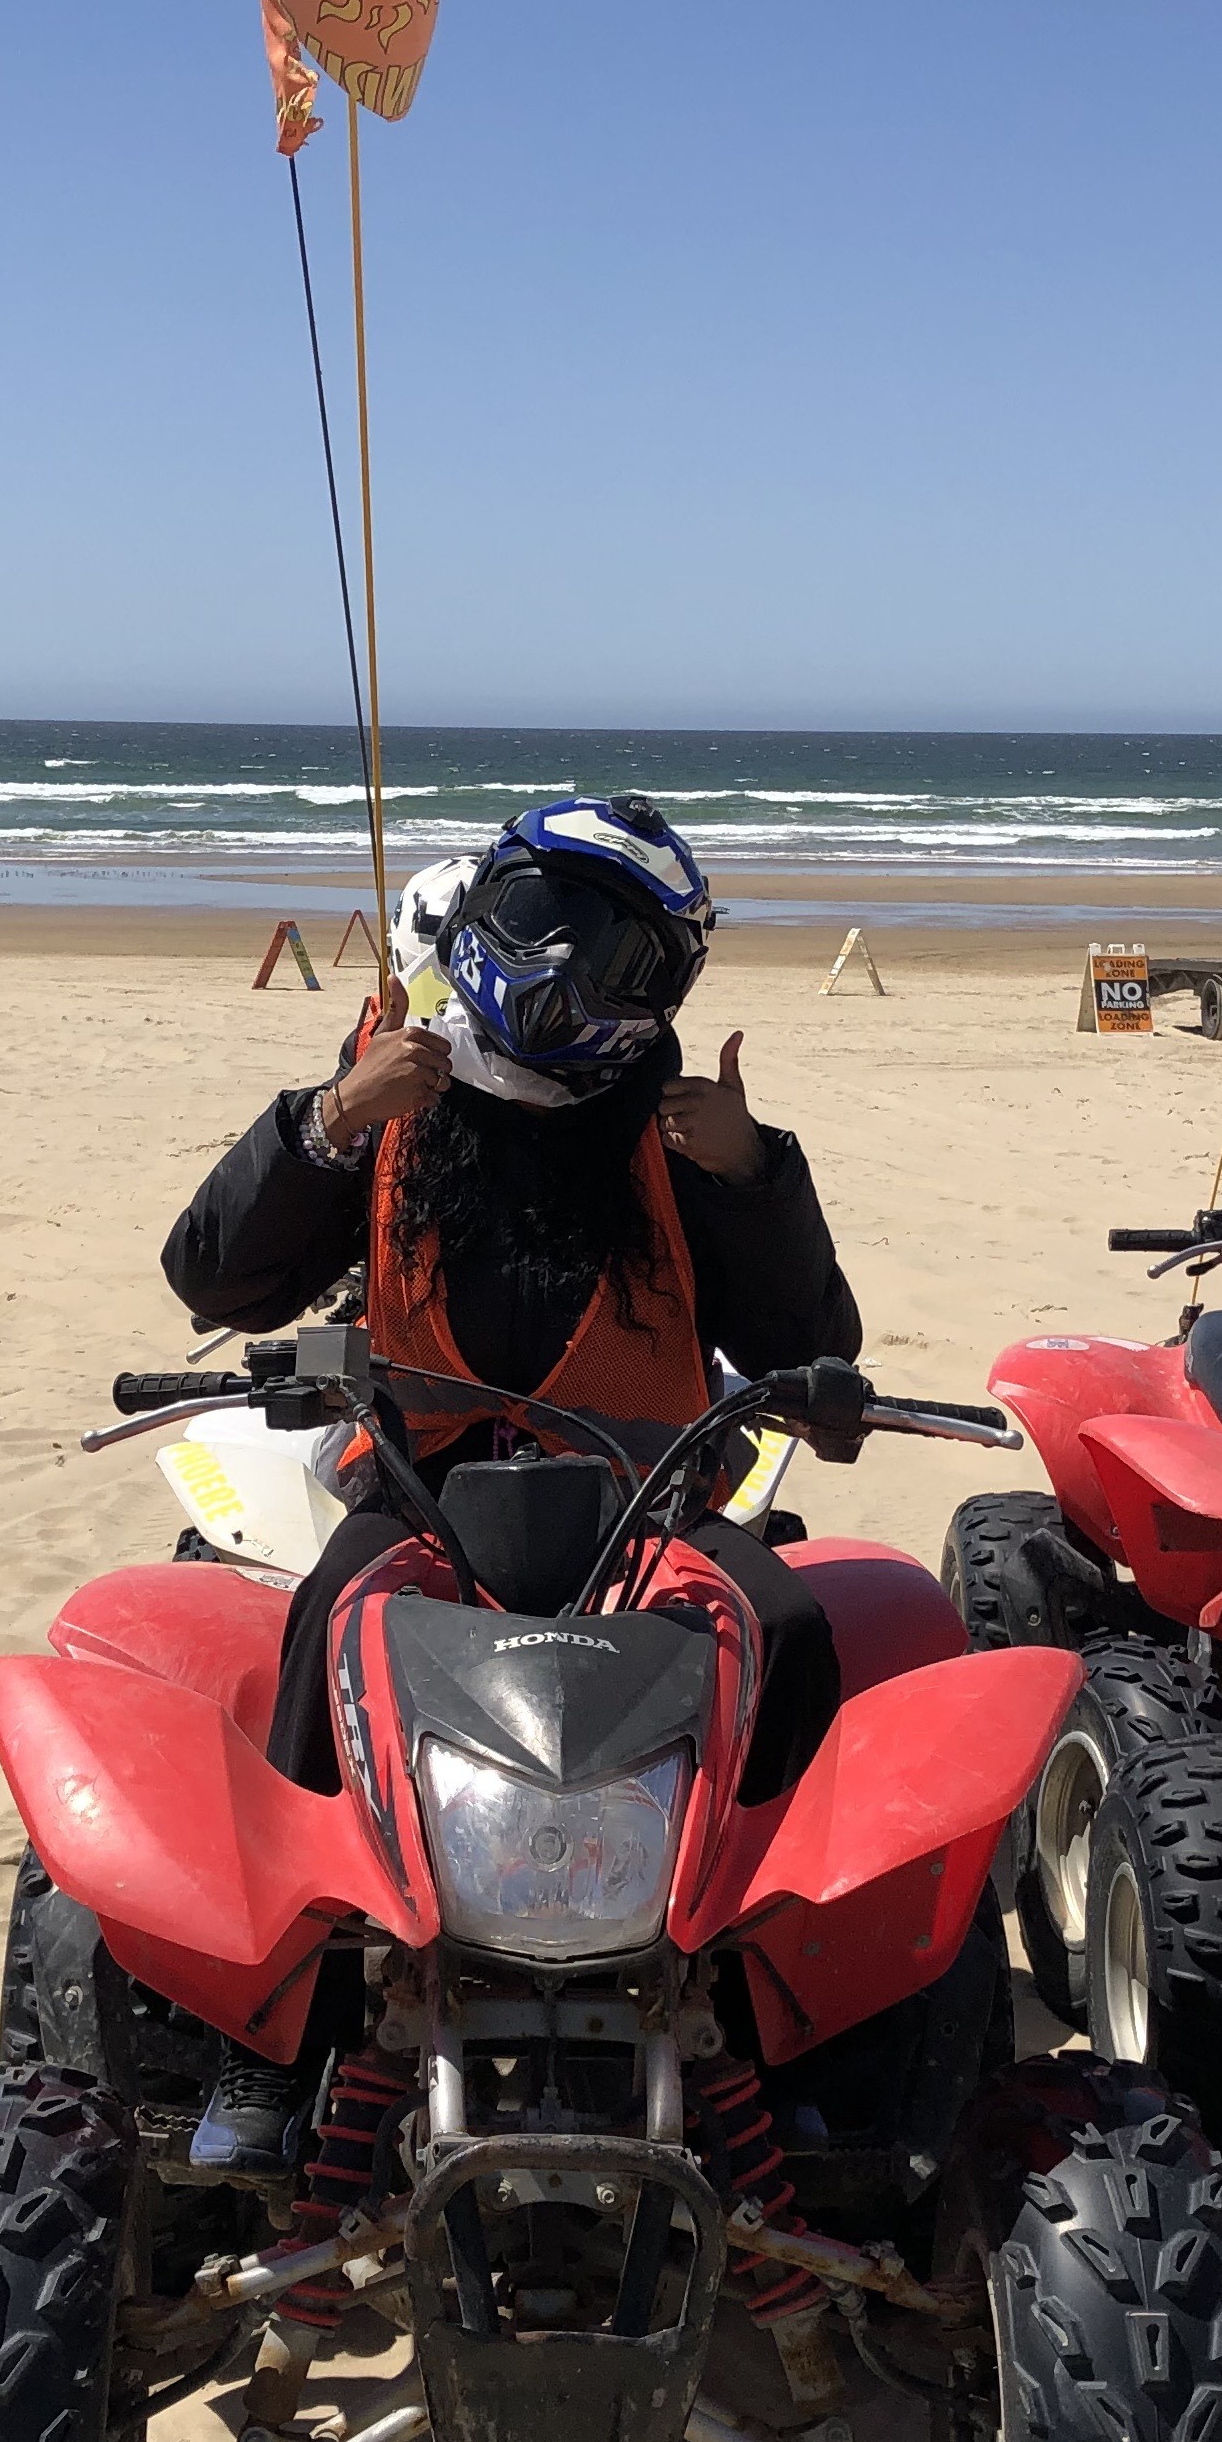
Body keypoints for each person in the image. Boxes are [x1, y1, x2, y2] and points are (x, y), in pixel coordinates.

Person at [158, 793, 864, 2162]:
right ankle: (281, 2043)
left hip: (646, 1503)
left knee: (787, 1626)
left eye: (621, 955)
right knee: (328, 1627)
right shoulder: (397, 1082)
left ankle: (787, 2026)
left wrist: (755, 1174)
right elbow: (215, 1279)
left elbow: (810, 1348)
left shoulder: (683, 1129)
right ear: (487, 905)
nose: (565, 968)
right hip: (427, 1495)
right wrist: (327, 1122)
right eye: (547, 919)